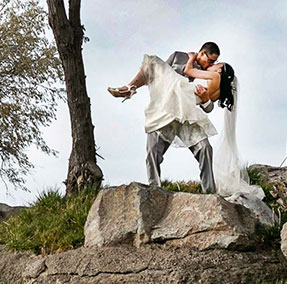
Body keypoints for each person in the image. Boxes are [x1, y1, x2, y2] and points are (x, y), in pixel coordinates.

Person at [106, 42, 256, 200]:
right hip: (167, 110)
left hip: (188, 115)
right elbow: (158, 77)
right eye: (210, 61)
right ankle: (154, 190)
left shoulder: (212, 77)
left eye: (215, 63)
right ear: (201, 53)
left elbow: (209, 107)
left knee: (205, 148)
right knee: (153, 151)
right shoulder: (178, 56)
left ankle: (210, 193)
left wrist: (205, 100)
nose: (211, 65)